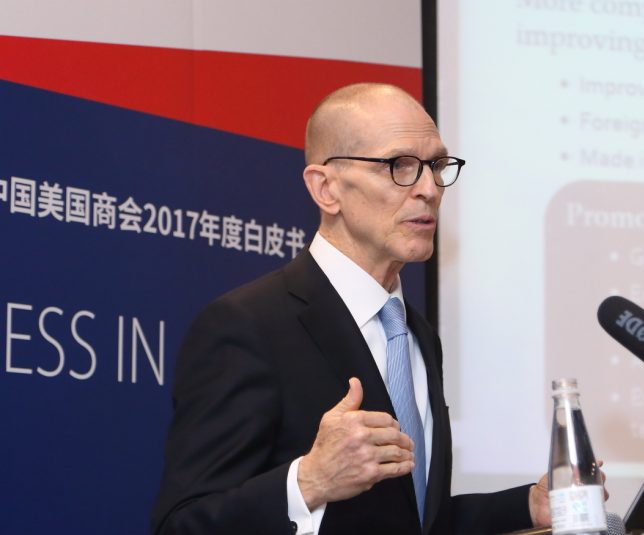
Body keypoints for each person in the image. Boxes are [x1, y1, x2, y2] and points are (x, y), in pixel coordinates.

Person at [151, 83, 557, 534]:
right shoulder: (248, 326)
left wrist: (527, 506)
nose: (429, 189)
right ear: (326, 189)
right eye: (399, 166)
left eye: (437, 166)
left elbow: (411, 521)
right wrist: (309, 482)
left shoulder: (417, 334)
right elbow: (181, 525)